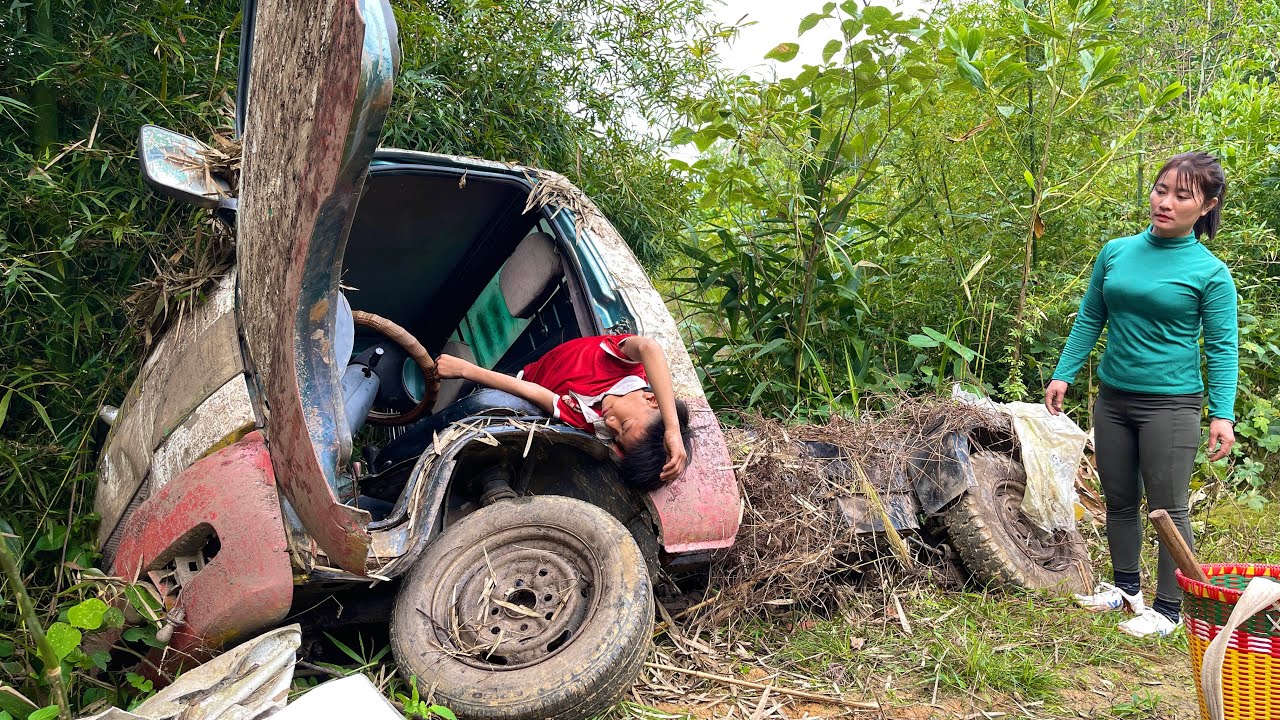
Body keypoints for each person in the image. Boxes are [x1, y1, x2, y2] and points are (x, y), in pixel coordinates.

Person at [1044, 152, 1238, 638]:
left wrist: (1223, 413)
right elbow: (1092, 315)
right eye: (1160, 189)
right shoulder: (1116, 251)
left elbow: (1221, 346)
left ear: (1206, 205)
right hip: (1113, 398)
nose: (1165, 202)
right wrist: (1064, 372)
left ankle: (1171, 611)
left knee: (1169, 507)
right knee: (1119, 499)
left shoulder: (1209, 273)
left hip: (1171, 405)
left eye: (1181, 195)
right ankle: (1126, 589)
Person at [436, 334, 692, 491]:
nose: (610, 423)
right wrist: (671, 429)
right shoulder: (624, 363)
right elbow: (649, 348)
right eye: (624, 424)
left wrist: (466, 370)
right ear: (652, 399)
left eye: (616, 436)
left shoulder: (591, 422)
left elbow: (534, 392)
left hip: (519, 383)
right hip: (530, 365)